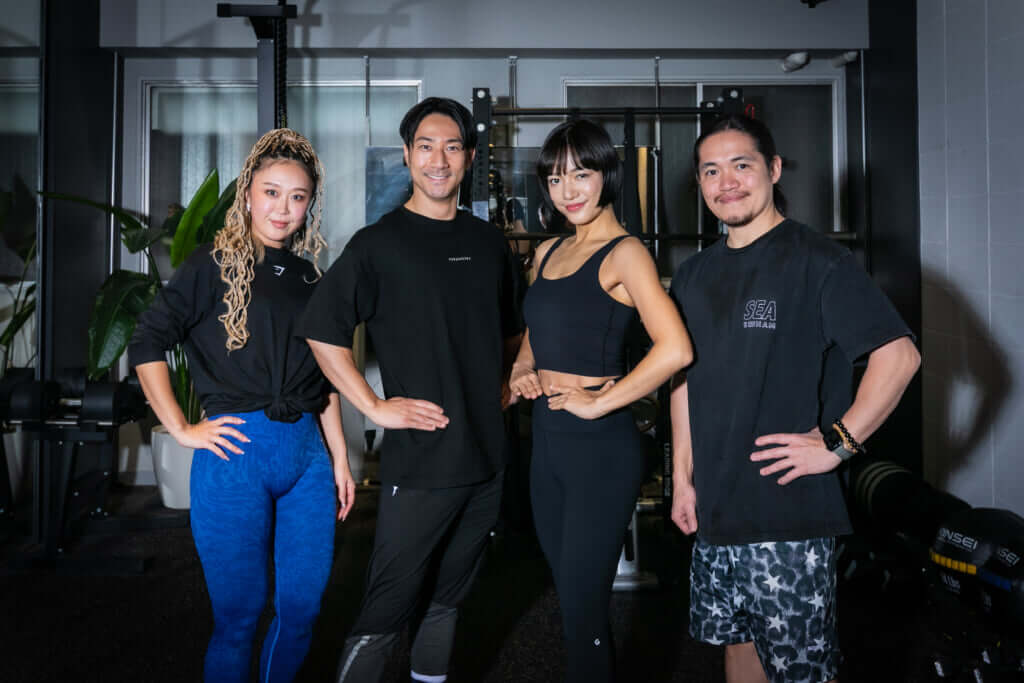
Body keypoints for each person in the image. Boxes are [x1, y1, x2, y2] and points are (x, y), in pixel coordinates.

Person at [669, 115, 921, 683]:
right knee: (739, 648)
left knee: (800, 671)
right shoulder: (692, 276)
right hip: (716, 509)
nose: (727, 182)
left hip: (787, 515)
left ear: (774, 169)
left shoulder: (818, 261)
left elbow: (899, 356)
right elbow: (682, 381)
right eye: (711, 170)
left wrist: (838, 444)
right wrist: (683, 479)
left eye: (742, 165)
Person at [297, 97, 522, 683]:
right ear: (406, 154)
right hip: (421, 462)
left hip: (489, 460)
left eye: (452, 147)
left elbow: (512, 330)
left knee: (449, 600)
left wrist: (506, 381)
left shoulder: (490, 242)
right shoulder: (378, 244)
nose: (438, 160)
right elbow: (321, 330)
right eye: (425, 146)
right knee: (387, 609)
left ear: (469, 157)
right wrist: (373, 405)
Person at [128, 128, 355, 683]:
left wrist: (340, 459)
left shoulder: (311, 277)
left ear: (309, 204)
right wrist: (182, 428)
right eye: (271, 192)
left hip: (307, 461)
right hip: (235, 459)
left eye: (297, 196)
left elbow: (324, 377)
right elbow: (147, 341)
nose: (283, 208)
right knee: (238, 618)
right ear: (248, 193)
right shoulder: (211, 264)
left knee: (301, 612)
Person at [509, 118, 693, 683]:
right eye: (555, 178)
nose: (567, 191)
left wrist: (601, 402)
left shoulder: (626, 253)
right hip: (548, 443)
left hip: (599, 449)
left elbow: (675, 348)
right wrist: (522, 370)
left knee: (584, 606)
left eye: (580, 175)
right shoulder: (548, 252)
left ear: (606, 176)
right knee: (571, 598)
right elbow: (536, 338)